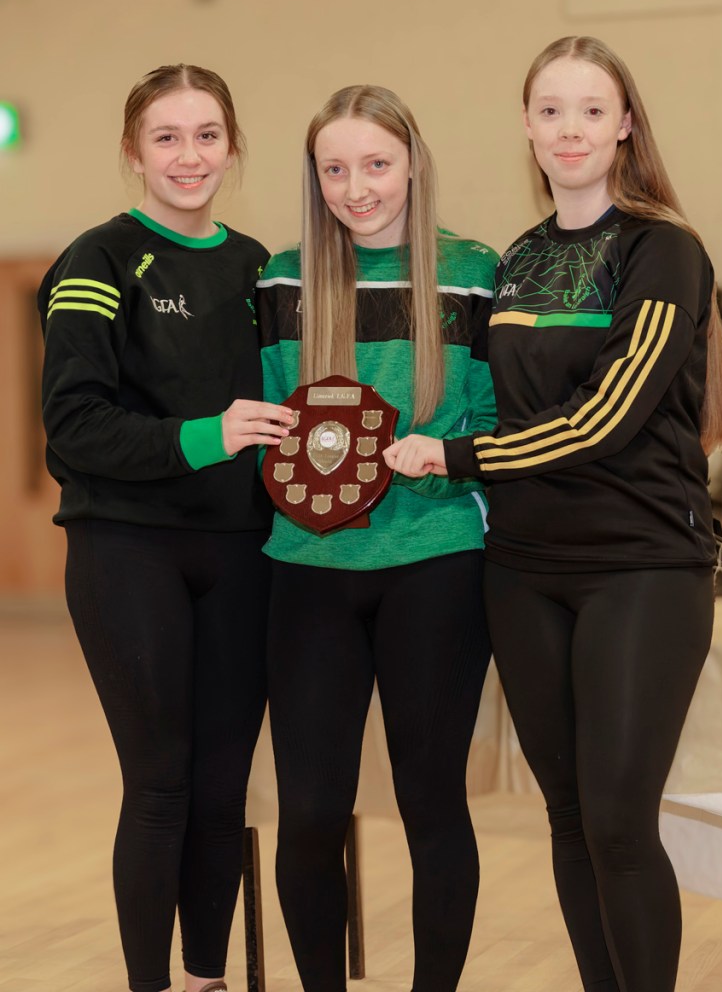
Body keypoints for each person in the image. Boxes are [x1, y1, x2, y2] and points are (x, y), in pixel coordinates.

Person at [385, 36, 722, 992]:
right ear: (528, 127)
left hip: (642, 569)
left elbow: (605, 420)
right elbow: (489, 398)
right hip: (524, 570)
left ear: (625, 125)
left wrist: (456, 458)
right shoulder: (520, 258)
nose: (570, 129)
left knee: (621, 823)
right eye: (551, 111)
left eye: (591, 110)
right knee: (573, 819)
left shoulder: (663, 250)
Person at [38, 64, 294, 992]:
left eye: (207, 135)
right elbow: (74, 426)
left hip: (243, 551)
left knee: (224, 788)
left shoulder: (260, 266)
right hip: (128, 546)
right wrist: (207, 435)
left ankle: (206, 978)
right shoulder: (97, 261)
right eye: (167, 137)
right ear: (133, 151)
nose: (190, 156)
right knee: (161, 783)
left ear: (233, 146)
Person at [254, 84, 497, 992]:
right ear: (315, 177)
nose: (356, 188)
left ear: (413, 164)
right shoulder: (281, 280)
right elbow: (269, 424)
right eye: (335, 169)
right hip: (306, 571)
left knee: (431, 803)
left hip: (435, 563)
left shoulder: (473, 272)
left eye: (377, 164)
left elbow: (495, 423)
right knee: (312, 811)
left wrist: (446, 462)